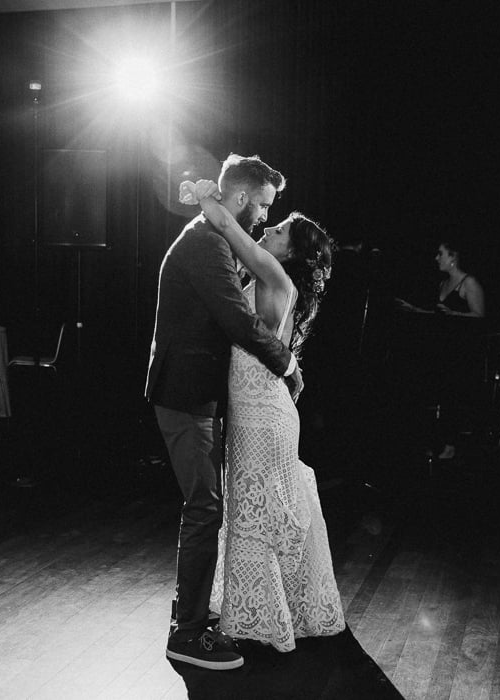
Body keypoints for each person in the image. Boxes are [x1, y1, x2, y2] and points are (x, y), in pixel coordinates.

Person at [145, 154, 303, 671]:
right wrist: (287, 364)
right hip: (185, 395)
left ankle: (187, 615)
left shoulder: (211, 236)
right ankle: (187, 634)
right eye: (261, 205)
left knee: (205, 509)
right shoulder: (205, 243)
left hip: (198, 394)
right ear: (240, 198)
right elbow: (237, 321)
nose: (261, 217)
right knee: (205, 510)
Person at [181, 177, 346, 652]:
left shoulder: (275, 274)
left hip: (262, 416)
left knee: (255, 515)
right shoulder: (272, 277)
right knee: (258, 512)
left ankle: (256, 622)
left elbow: (231, 231)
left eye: (279, 231)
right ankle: (266, 612)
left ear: (290, 251)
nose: (269, 229)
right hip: (257, 412)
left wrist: (205, 196)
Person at [394, 240, 487, 460]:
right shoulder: (442, 284)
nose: (437, 258)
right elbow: (438, 317)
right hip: (440, 351)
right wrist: (414, 310)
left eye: (441, 254)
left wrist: (454, 315)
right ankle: (433, 442)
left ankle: (450, 445)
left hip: (461, 354)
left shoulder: (468, 283)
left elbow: (480, 318)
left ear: (452, 257)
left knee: (452, 397)